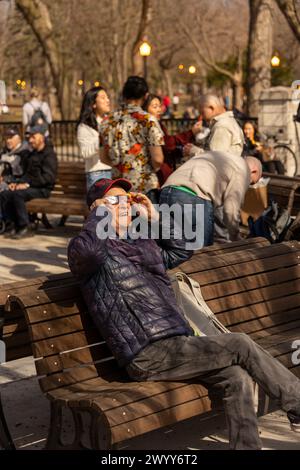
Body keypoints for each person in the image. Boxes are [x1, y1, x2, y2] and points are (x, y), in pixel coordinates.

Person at [68, 177, 300, 450]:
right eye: (114, 201)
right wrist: (98, 214)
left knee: (236, 376)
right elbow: (90, 253)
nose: (123, 206)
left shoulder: (140, 242)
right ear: (97, 208)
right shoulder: (87, 248)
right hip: (147, 352)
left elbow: (182, 248)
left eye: (127, 200)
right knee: (240, 344)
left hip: (178, 344)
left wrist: (155, 216)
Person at [160, 153, 262, 248]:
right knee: (200, 255)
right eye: (251, 183)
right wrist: (235, 236)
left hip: (167, 192)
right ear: (254, 171)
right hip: (194, 198)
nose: (248, 186)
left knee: (172, 249)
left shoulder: (222, 155)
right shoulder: (243, 169)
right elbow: (230, 209)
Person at [100, 76, 165, 202]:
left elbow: (103, 157)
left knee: (121, 221)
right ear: (145, 96)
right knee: (146, 221)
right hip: (144, 187)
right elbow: (158, 159)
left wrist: (120, 165)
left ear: (124, 95)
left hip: (118, 188)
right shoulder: (147, 120)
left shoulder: (106, 121)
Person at [0, 124, 57, 238]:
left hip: (43, 189)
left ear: (41, 137)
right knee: (5, 193)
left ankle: (25, 226)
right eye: (29, 137)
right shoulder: (33, 154)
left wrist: (27, 184)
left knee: (17, 195)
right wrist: (16, 184)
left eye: (33, 137)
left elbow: (48, 178)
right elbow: (28, 175)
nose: (30, 140)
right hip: (32, 187)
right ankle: (11, 225)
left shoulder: (49, 155)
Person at [143, 94, 202, 185]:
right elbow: (167, 143)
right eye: (155, 107)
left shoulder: (158, 124)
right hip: (153, 177)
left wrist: (181, 151)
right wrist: (191, 133)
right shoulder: (149, 125)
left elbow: (166, 149)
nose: (159, 110)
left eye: (160, 106)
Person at [77, 86, 112, 190]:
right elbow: (85, 153)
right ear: (93, 104)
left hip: (115, 172)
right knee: (101, 207)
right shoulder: (84, 126)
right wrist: (101, 139)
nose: (108, 100)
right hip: (98, 174)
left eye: (107, 97)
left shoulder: (109, 121)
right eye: (103, 97)